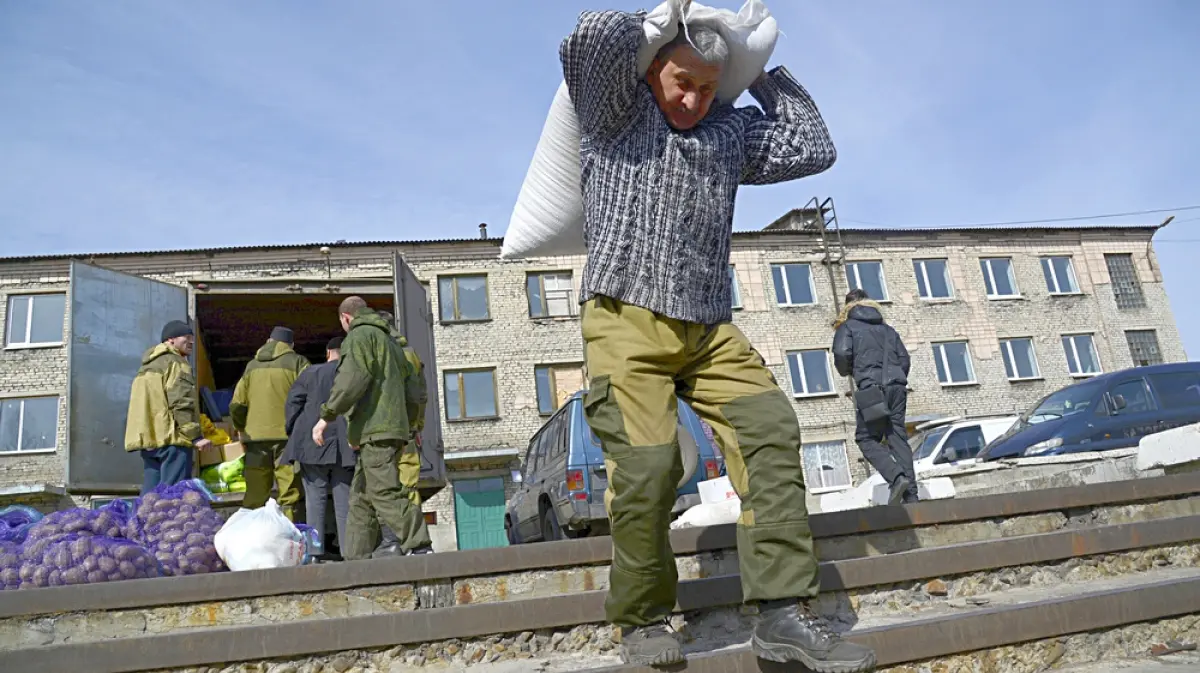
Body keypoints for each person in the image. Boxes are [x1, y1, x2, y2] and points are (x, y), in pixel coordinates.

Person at [560, 9, 875, 672]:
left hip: (708, 327)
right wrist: (663, 17)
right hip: (624, 320)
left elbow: (813, 144)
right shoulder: (616, 115)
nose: (692, 98)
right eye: (680, 81)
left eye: (707, 86)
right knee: (647, 468)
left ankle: (783, 612)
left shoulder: (728, 132)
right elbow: (589, 39)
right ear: (652, 72)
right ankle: (644, 617)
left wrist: (759, 69)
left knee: (770, 429)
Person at [312, 297, 432, 559]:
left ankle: (419, 544)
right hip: (391, 429)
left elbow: (351, 380)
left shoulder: (358, 338)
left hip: (375, 429)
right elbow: (414, 391)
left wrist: (326, 416)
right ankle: (357, 558)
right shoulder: (392, 343)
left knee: (383, 490)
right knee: (361, 495)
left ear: (345, 318)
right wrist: (409, 425)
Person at [833, 289, 917, 505]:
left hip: (871, 388)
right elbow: (904, 359)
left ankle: (896, 478)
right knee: (897, 436)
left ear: (847, 308)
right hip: (897, 386)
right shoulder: (888, 330)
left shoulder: (847, 327)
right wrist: (895, 380)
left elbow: (842, 354)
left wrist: (853, 371)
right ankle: (912, 496)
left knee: (865, 438)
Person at [283, 336, 355, 559]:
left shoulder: (310, 373)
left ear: (328, 353)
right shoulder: (353, 374)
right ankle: (348, 552)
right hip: (346, 444)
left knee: (315, 500)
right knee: (345, 503)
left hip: (313, 443)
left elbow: (293, 402)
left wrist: (294, 430)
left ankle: (314, 552)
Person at [230, 326, 310, 521]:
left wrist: (241, 427)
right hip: (287, 437)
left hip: (255, 438)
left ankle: (253, 539)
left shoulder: (251, 366)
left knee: (255, 493)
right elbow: (310, 398)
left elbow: (237, 404)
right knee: (289, 492)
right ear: (291, 345)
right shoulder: (298, 362)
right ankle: (287, 536)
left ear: (268, 341)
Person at [125, 320, 212, 494]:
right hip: (172, 439)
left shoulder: (147, 366)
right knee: (172, 495)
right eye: (186, 337)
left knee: (150, 495)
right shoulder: (176, 363)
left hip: (150, 441)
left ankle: (142, 521)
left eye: (192, 338)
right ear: (170, 339)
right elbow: (181, 401)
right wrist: (195, 437)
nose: (191, 342)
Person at [373, 310, 430, 558]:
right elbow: (420, 396)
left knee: (384, 487)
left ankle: (393, 541)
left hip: (382, 432)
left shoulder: (378, 352)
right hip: (407, 432)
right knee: (408, 486)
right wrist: (417, 426)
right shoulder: (410, 354)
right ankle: (418, 545)